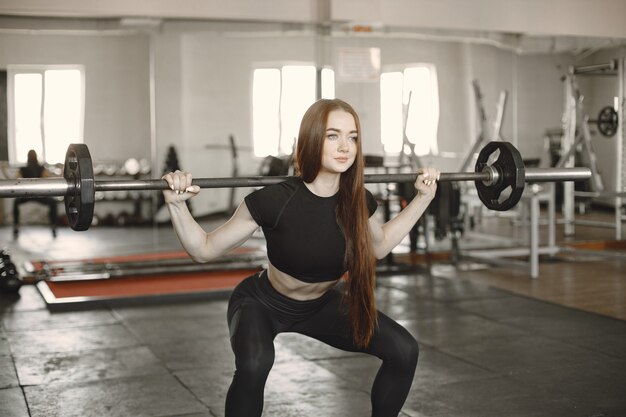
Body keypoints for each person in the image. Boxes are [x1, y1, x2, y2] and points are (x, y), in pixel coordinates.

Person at [162, 98, 439, 417]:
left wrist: (423, 198)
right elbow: (204, 249)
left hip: (321, 306)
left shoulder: (357, 201)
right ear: (312, 138)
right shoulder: (274, 200)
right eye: (333, 135)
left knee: (404, 350)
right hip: (262, 304)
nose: (345, 146)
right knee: (254, 364)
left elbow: (379, 246)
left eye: (352, 137)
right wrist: (177, 205)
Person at [13, 149, 58, 238]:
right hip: (39, 195)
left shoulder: (22, 169)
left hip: (26, 195)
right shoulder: (42, 168)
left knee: (16, 202)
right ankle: (53, 227)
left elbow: (16, 180)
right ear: (36, 157)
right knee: (53, 202)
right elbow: (47, 179)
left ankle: (16, 227)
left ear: (27, 157)